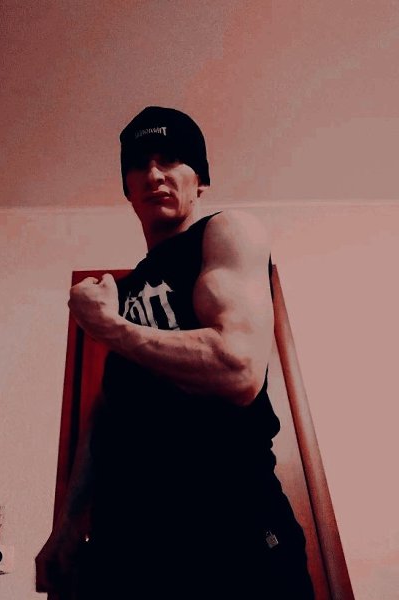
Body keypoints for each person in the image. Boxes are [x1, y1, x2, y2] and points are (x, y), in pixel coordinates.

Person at [36, 106, 314, 598]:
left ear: (200, 179)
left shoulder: (225, 234)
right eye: (139, 164)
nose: (154, 174)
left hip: (229, 531)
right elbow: (108, 413)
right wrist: (68, 522)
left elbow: (237, 368)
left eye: (170, 159)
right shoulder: (121, 293)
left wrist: (109, 327)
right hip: (127, 546)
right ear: (127, 188)